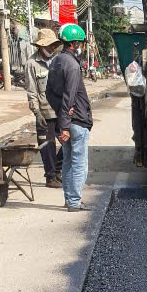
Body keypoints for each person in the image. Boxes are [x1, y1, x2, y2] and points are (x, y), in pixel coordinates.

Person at [46, 23, 93, 212]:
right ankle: (74, 201)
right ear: (73, 43)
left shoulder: (56, 61)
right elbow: (69, 96)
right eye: (80, 43)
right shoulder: (72, 65)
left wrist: (60, 117)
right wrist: (65, 125)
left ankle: (69, 199)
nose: (81, 46)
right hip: (76, 122)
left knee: (66, 161)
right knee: (79, 163)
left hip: (65, 119)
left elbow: (49, 93)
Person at [25, 28, 64, 188]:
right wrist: (36, 112)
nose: (50, 49)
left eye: (52, 46)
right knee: (47, 147)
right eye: (47, 46)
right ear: (40, 46)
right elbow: (31, 90)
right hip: (44, 112)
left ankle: (58, 169)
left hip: (61, 110)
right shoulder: (32, 64)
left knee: (71, 141)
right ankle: (50, 177)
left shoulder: (60, 60)